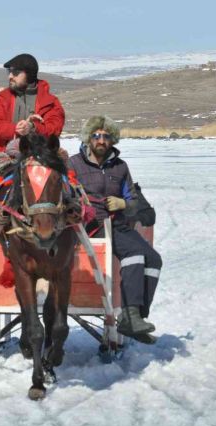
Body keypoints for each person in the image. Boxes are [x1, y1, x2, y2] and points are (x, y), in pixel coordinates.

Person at [68, 115, 162, 344]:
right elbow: (65, 194)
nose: (101, 140)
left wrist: (123, 204)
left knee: (154, 259)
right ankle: (130, 317)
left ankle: (136, 318)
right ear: (88, 138)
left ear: (113, 140)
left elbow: (132, 201)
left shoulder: (120, 167)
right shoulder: (73, 164)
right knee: (134, 254)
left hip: (116, 223)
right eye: (96, 135)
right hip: (90, 225)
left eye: (106, 136)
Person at [0, 53, 66, 187]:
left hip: (42, 157)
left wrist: (33, 128)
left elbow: (55, 128)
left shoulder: (51, 101)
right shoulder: (2, 98)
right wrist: (16, 129)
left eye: (15, 72)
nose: (10, 76)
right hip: (8, 159)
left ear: (29, 74)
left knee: (64, 190)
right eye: (9, 72)